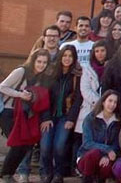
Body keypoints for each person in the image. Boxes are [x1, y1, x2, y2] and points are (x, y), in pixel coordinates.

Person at [0, 49, 54, 181]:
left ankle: (8, 173)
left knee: (25, 144)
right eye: (39, 61)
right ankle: (5, 174)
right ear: (33, 60)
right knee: (18, 143)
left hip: (25, 114)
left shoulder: (41, 77)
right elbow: (2, 86)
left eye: (44, 62)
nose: (41, 65)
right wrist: (20, 94)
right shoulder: (21, 71)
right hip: (8, 111)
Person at [42, 45, 80, 183]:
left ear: (74, 58)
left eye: (70, 56)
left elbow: (78, 99)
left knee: (59, 146)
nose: (67, 58)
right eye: (65, 55)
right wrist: (45, 118)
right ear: (60, 56)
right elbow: (44, 97)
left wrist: (71, 119)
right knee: (45, 146)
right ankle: (47, 173)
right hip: (49, 116)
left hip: (65, 117)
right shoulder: (50, 74)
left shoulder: (76, 76)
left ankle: (59, 174)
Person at [76, 90, 121, 183]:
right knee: (95, 153)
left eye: (115, 102)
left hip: (106, 158)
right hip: (87, 158)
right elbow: (87, 143)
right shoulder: (90, 118)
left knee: (106, 167)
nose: (112, 104)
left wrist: (106, 156)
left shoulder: (118, 122)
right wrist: (107, 149)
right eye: (110, 101)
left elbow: (117, 144)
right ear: (103, 102)